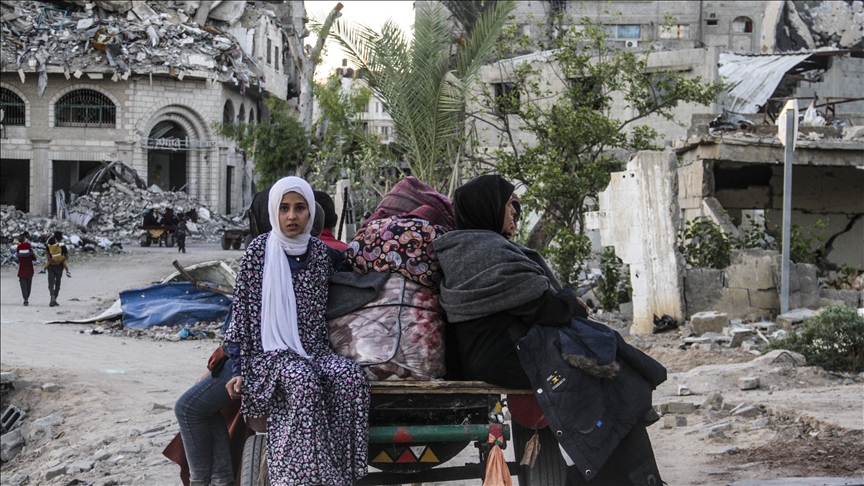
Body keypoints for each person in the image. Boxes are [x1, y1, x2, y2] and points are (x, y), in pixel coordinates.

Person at [434, 174, 665, 486]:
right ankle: (631, 478)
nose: (515, 210)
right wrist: (571, 304)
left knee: (601, 350)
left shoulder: (462, 247)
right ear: (487, 207)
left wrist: (565, 305)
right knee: (607, 366)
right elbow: (541, 308)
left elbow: (530, 303)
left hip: (496, 352)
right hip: (507, 356)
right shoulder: (485, 251)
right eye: (508, 203)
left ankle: (624, 475)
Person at [224, 176, 370, 486]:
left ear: (311, 213)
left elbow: (352, 273)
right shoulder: (258, 253)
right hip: (271, 355)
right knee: (302, 381)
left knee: (349, 377)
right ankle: (292, 478)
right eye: (285, 208)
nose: (292, 216)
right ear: (274, 212)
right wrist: (237, 368)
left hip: (313, 351)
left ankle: (341, 475)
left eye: (300, 208)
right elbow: (241, 314)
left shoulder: (320, 253)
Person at [43, 232, 70, 307]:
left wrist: (50, 260)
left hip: (51, 265)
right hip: (59, 266)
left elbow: (47, 253)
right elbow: (66, 255)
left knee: (51, 282)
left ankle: (52, 297)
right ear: (60, 238)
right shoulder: (62, 245)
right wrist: (60, 262)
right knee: (58, 282)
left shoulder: (49, 244)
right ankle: (55, 297)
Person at [16, 232, 37, 306]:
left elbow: (18, 258)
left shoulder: (18, 248)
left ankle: (25, 298)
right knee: (28, 284)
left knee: (23, 285)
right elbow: (34, 258)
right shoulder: (29, 247)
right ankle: (27, 296)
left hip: (22, 269)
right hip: (29, 269)